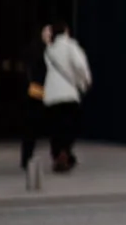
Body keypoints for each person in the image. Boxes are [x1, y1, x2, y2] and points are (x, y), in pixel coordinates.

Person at [42, 20, 91, 172]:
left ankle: (59, 155)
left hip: (51, 95)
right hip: (69, 93)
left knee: (55, 127)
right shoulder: (71, 46)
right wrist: (85, 81)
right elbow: (80, 65)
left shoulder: (49, 50)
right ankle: (65, 152)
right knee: (70, 126)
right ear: (66, 31)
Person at [19, 24, 52, 169]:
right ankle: (26, 157)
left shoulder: (52, 50)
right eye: (46, 32)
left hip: (46, 91)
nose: (49, 35)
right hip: (37, 92)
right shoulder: (38, 50)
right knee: (31, 127)